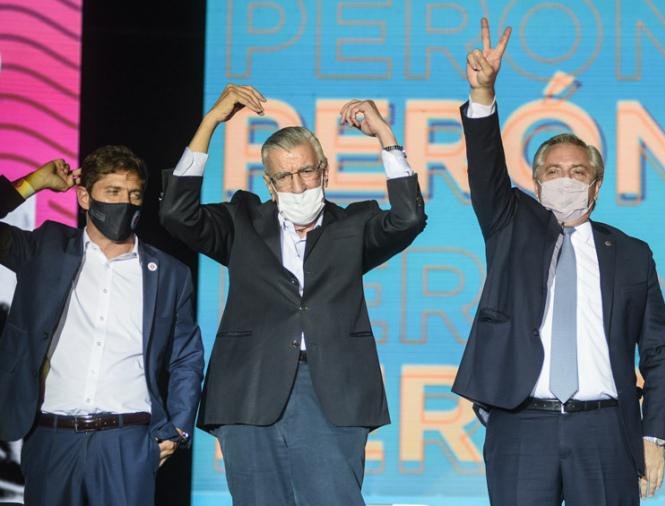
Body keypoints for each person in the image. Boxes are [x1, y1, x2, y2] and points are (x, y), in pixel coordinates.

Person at [159, 85, 426, 506]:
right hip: (250, 387)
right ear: (269, 182)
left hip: (331, 387)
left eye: (306, 172)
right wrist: (210, 122)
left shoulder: (352, 226)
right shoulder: (241, 222)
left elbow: (409, 218)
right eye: (284, 176)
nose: (298, 185)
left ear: (325, 171)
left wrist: (385, 135)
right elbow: (177, 214)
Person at [451, 19, 665, 505]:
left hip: (606, 430)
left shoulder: (632, 254)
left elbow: (659, 351)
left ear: (596, 186)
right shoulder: (511, 228)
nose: (565, 181)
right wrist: (483, 95)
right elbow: (486, 169)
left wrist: (654, 435)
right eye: (553, 172)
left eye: (577, 172)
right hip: (522, 425)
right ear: (536, 184)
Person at [0, 148, 204, 505]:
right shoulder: (45, 249)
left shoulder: (170, 273)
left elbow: (186, 356)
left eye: (134, 194)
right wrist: (34, 183)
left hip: (127, 442)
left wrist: (178, 429)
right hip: (52, 437)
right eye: (113, 192)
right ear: (84, 197)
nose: (125, 203)